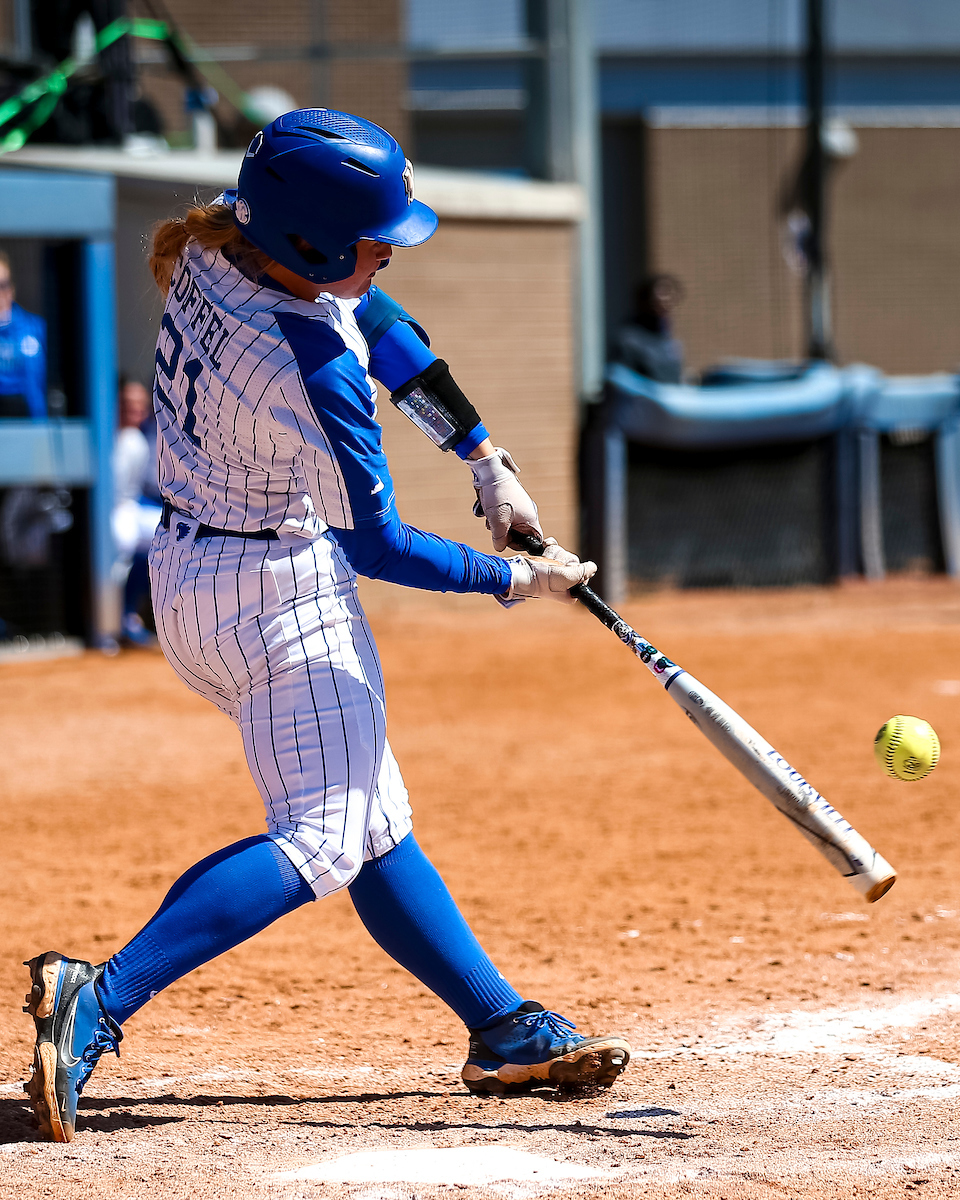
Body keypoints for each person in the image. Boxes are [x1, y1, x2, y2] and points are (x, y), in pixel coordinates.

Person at [22, 108, 631, 1144]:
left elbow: (380, 315)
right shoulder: (309, 365)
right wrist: (514, 579)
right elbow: (380, 547)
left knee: (368, 811)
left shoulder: (225, 248)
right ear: (311, 241)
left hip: (192, 578)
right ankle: (103, 997)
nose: (388, 246)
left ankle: (501, 1027)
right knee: (324, 834)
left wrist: (480, 452)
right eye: (370, 233)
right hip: (279, 593)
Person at [111, 377, 163, 645]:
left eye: (140, 405)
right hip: (108, 511)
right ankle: (114, 620)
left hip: (131, 507)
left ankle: (132, 614)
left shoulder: (141, 437)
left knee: (163, 539)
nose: (137, 411)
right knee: (119, 548)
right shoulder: (107, 433)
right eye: (128, 405)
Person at [613, 273, 685, 384]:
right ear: (643, 302)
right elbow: (622, 381)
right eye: (657, 303)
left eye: (669, 301)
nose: (664, 306)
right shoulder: (629, 340)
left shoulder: (668, 339)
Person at [0, 250, 46, 418]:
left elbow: (38, 385)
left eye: (2, 285)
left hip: (27, 423)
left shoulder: (34, 327)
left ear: (11, 288)